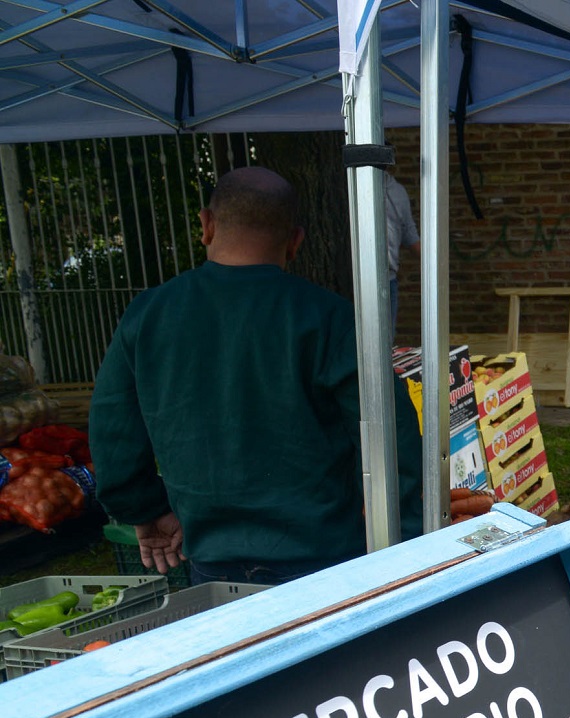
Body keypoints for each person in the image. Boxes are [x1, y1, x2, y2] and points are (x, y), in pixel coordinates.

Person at [90, 166, 423, 586]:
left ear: (206, 225)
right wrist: (405, 530)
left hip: (211, 560)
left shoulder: (149, 314)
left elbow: (113, 431)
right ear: (295, 241)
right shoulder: (331, 318)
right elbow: (390, 435)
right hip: (325, 558)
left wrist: (145, 509)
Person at [385, 167, 420, 340]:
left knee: (386, 342)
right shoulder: (351, 185)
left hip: (388, 278)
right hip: (355, 278)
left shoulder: (395, 191)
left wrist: (434, 264)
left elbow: (408, 231)